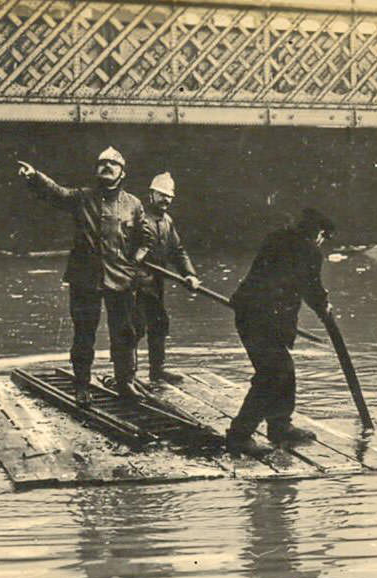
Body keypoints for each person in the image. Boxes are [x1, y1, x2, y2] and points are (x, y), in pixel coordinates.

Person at [17, 148, 146, 405]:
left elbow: (144, 240)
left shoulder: (134, 204)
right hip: (85, 278)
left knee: (125, 334)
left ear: (123, 172)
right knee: (84, 333)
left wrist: (135, 262)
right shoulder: (81, 198)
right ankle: (82, 385)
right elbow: (56, 193)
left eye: (113, 163)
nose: (107, 166)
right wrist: (34, 177)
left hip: (120, 278)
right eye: (102, 163)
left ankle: (125, 383)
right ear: (95, 170)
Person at [226, 208, 337, 457]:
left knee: (283, 370)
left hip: (250, 314)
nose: (322, 242)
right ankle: (239, 436)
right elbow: (311, 287)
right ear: (319, 233)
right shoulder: (309, 250)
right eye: (324, 237)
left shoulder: (276, 238)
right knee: (271, 374)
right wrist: (324, 307)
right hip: (262, 319)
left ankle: (279, 426)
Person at [131, 172, 201, 384]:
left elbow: (178, 251)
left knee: (159, 323)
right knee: (135, 328)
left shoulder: (167, 222)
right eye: (161, 195)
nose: (166, 200)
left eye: (169, 196)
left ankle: (157, 370)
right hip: (134, 283)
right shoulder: (137, 218)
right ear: (151, 195)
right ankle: (128, 376)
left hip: (156, 283)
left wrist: (189, 274)